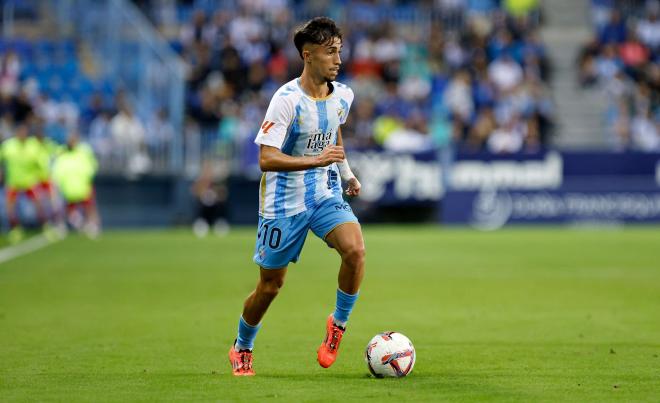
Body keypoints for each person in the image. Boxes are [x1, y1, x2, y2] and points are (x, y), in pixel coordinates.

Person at [228, 17, 365, 376]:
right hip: (282, 203)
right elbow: (265, 158)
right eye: (330, 52)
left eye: (340, 51)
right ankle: (242, 346)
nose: (338, 60)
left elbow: (333, 136)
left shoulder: (343, 96)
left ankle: (337, 326)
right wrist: (315, 160)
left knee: (355, 250)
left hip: (323, 191)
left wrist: (346, 173)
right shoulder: (286, 101)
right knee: (270, 286)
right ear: (308, 55)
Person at [0, 122, 48, 244]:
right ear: (16, 133)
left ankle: (45, 225)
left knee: (39, 204)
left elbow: (41, 162)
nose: (22, 134)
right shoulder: (8, 146)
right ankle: (14, 228)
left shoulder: (33, 146)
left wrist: (42, 177)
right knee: (10, 206)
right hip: (13, 181)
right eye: (20, 132)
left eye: (24, 132)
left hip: (29, 181)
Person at [52, 132, 100, 238]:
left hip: (82, 185)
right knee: (69, 210)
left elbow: (92, 166)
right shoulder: (62, 154)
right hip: (69, 187)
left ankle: (93, 226)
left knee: (89, 207)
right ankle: (77, 225)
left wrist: (87, 178)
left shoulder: (84, 152)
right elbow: (57, 170)